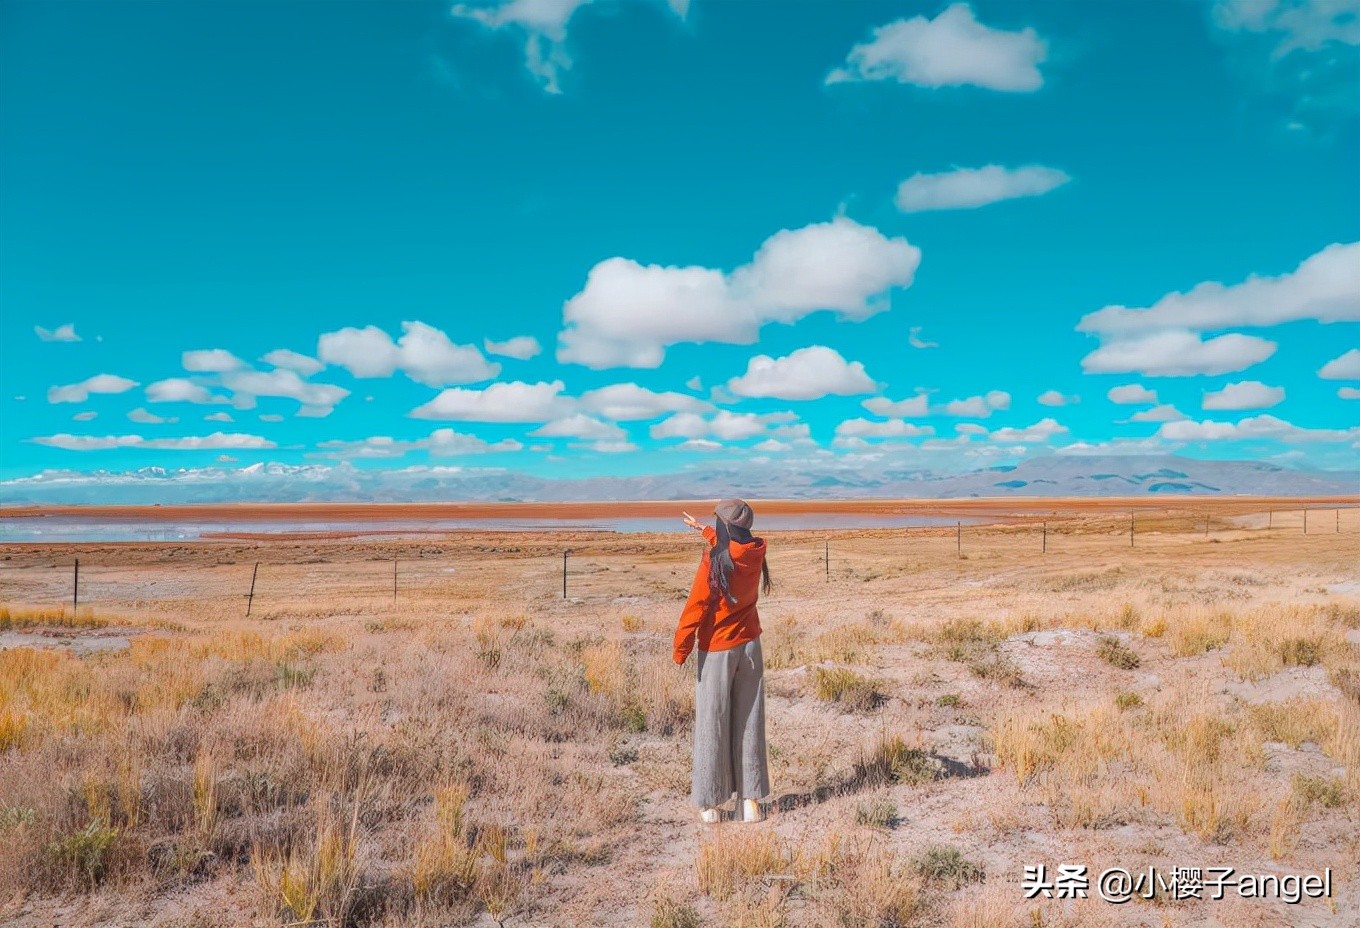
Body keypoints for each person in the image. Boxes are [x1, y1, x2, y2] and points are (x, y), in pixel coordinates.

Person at [673, 498, 773, 824]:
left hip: (717, 650)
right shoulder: (755, 552)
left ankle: (710, 803)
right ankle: (751, 802)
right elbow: (728, 545)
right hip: (750, 647)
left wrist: (681, 649)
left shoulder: (713, 563)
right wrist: (701, 528)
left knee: (712, 723)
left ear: (726, 527)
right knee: (749, 720)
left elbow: (696, 607)